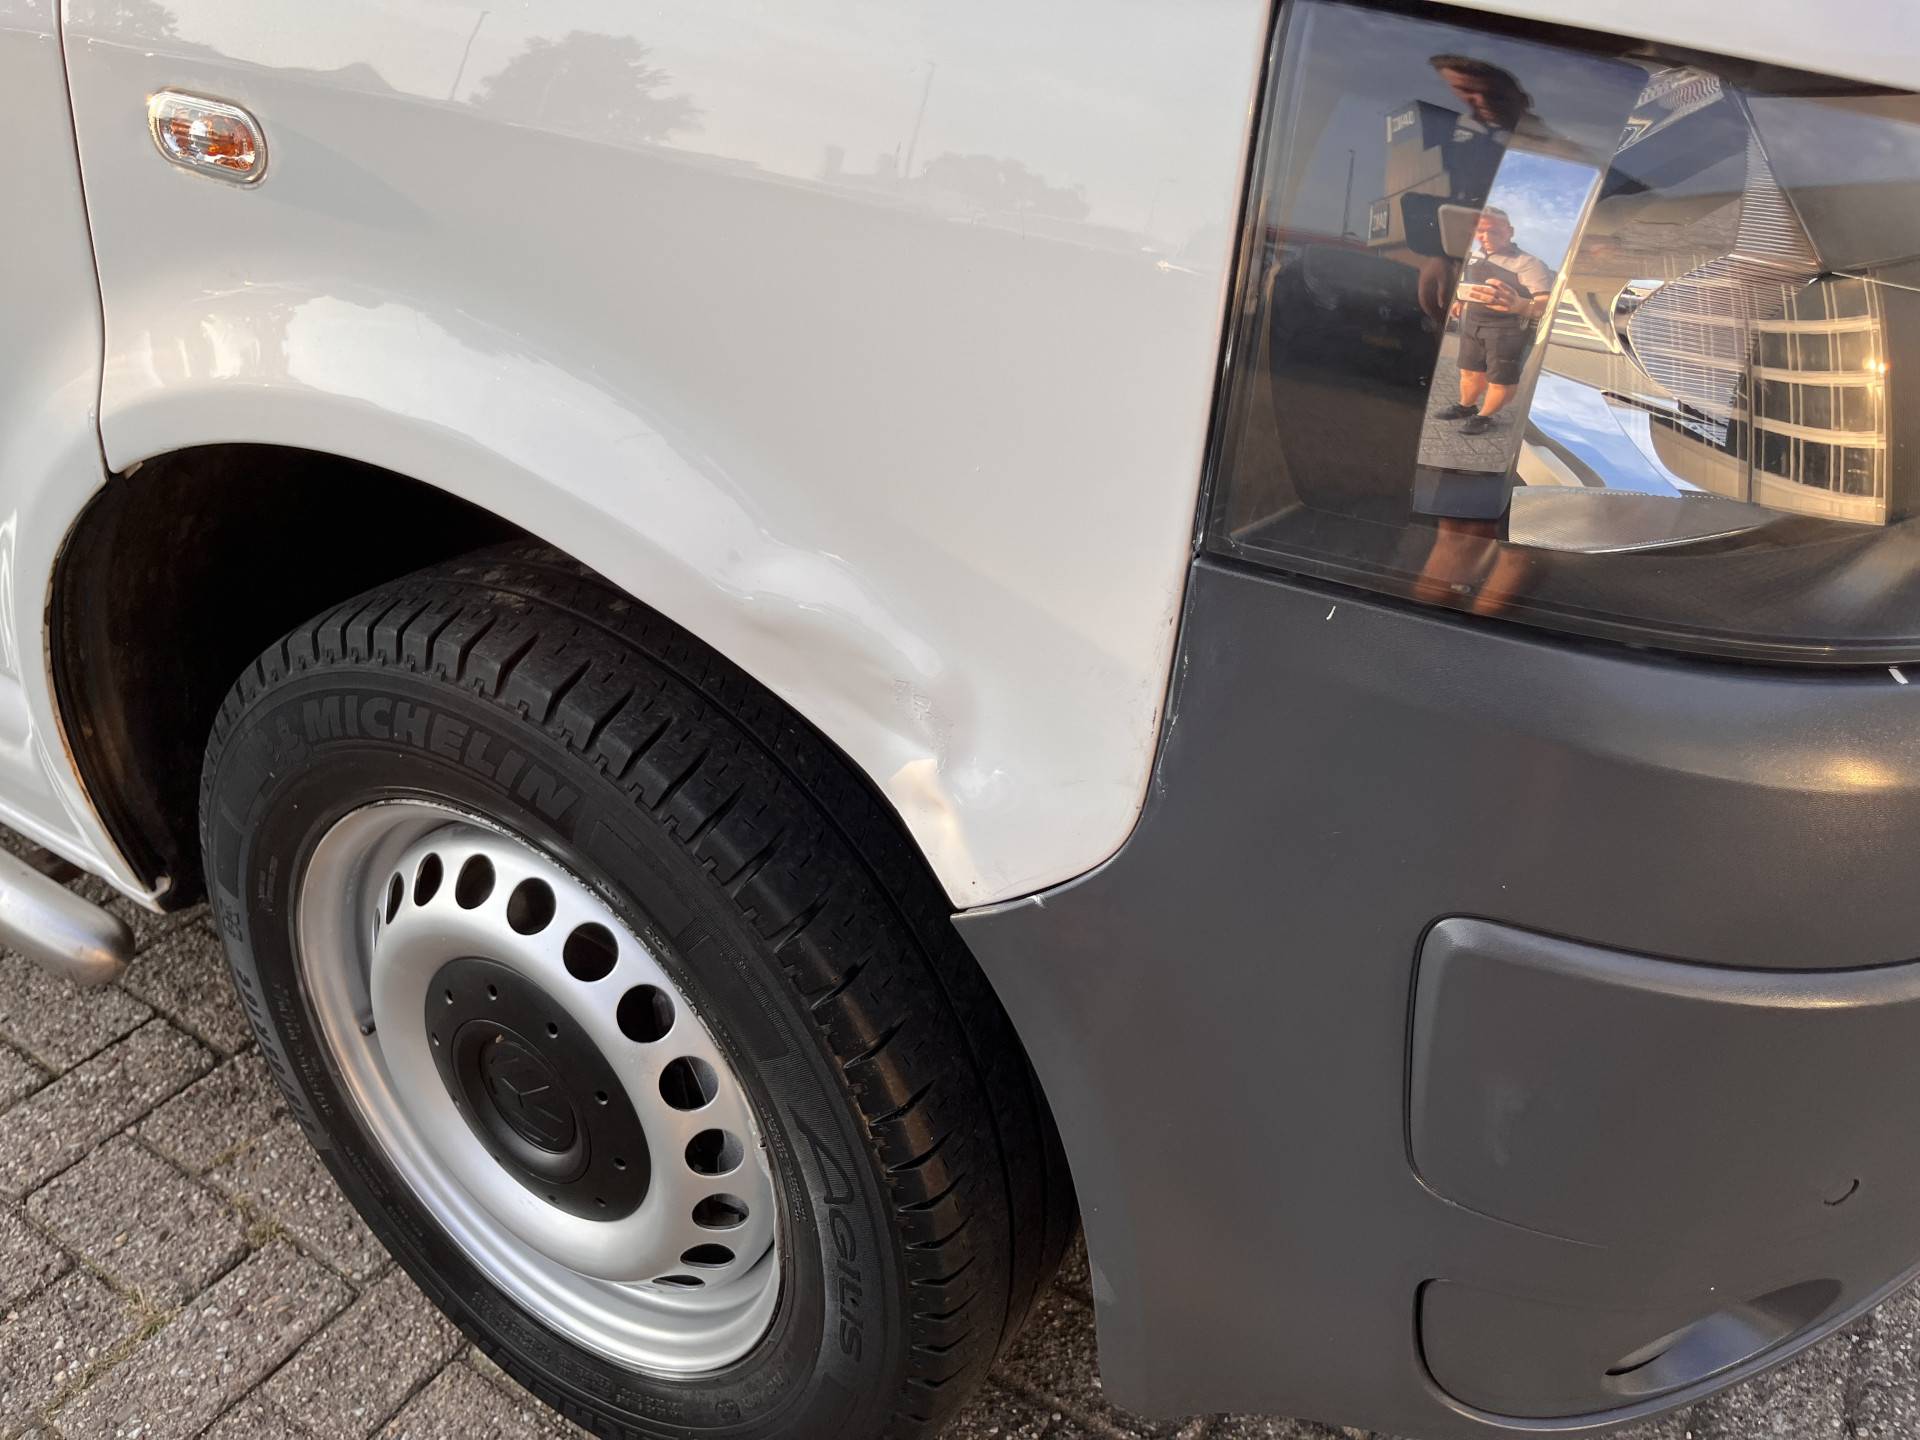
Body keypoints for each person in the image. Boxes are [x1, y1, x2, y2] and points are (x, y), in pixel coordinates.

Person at [1434, 207, 1553, 434]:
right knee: (1469, 371)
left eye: (1495, 231)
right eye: (1480, 231)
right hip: (1472, 325)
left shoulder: (1529, 263)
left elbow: (1546, 301)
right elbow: (1467, 283)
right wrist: (1460, 300)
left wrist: (1521, 305)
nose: (1486, 237)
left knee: (1501, 380)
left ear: (1510, 231)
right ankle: (1466, 406)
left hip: (1508, 331)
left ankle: (1485, 417)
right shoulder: (1473, 256)